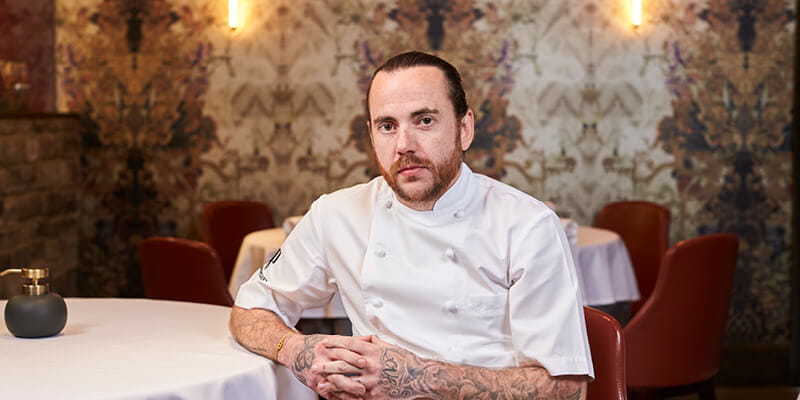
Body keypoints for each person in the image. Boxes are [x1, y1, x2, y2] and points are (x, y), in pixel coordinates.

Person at [230, 51, 594, 400]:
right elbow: (249, 310)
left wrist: (419, 377)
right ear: (371, 136)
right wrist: (295, 348)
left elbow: (567, 389)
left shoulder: (528, 225)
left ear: (464, 129)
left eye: (424, 120)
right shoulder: (336, 214)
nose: (404, 145)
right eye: (388, 126)